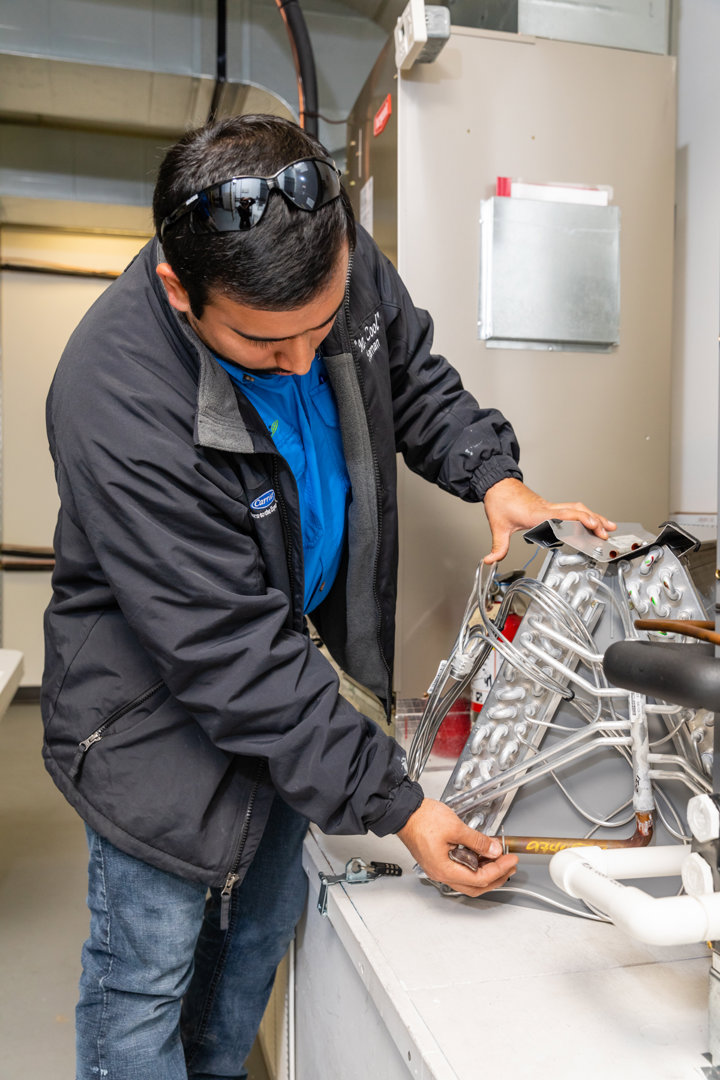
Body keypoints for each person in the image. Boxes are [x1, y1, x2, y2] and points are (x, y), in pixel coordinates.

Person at [41, 114, 615, 1080]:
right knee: (146, 986)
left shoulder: (327, 258)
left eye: (324, 328)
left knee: (248, 957)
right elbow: (232, 651)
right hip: (154, 723)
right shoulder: (115, 397)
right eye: (266, 349)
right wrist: (399, 806)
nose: (307, 363)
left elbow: (412, 376)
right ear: (180, 291)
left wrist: (493, 475)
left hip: (293, 688)